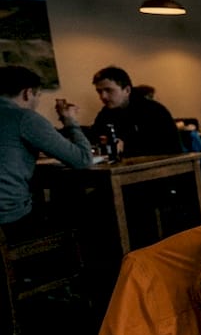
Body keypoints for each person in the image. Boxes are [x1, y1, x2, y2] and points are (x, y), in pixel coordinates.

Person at [0, 66, 93, 236]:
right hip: (10, 220)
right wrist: (70, 120)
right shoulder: (24, 117)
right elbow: (83, 159)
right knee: (82, 208)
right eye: (39, 96)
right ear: (28, 93)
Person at [90, 66, 181, 156]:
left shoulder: (153, 111)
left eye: (108, 90)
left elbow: (167, 147)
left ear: (127, 90)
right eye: (99, 91)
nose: (103, 96)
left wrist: (126, 146)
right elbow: (93, 138)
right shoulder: (105, 113)